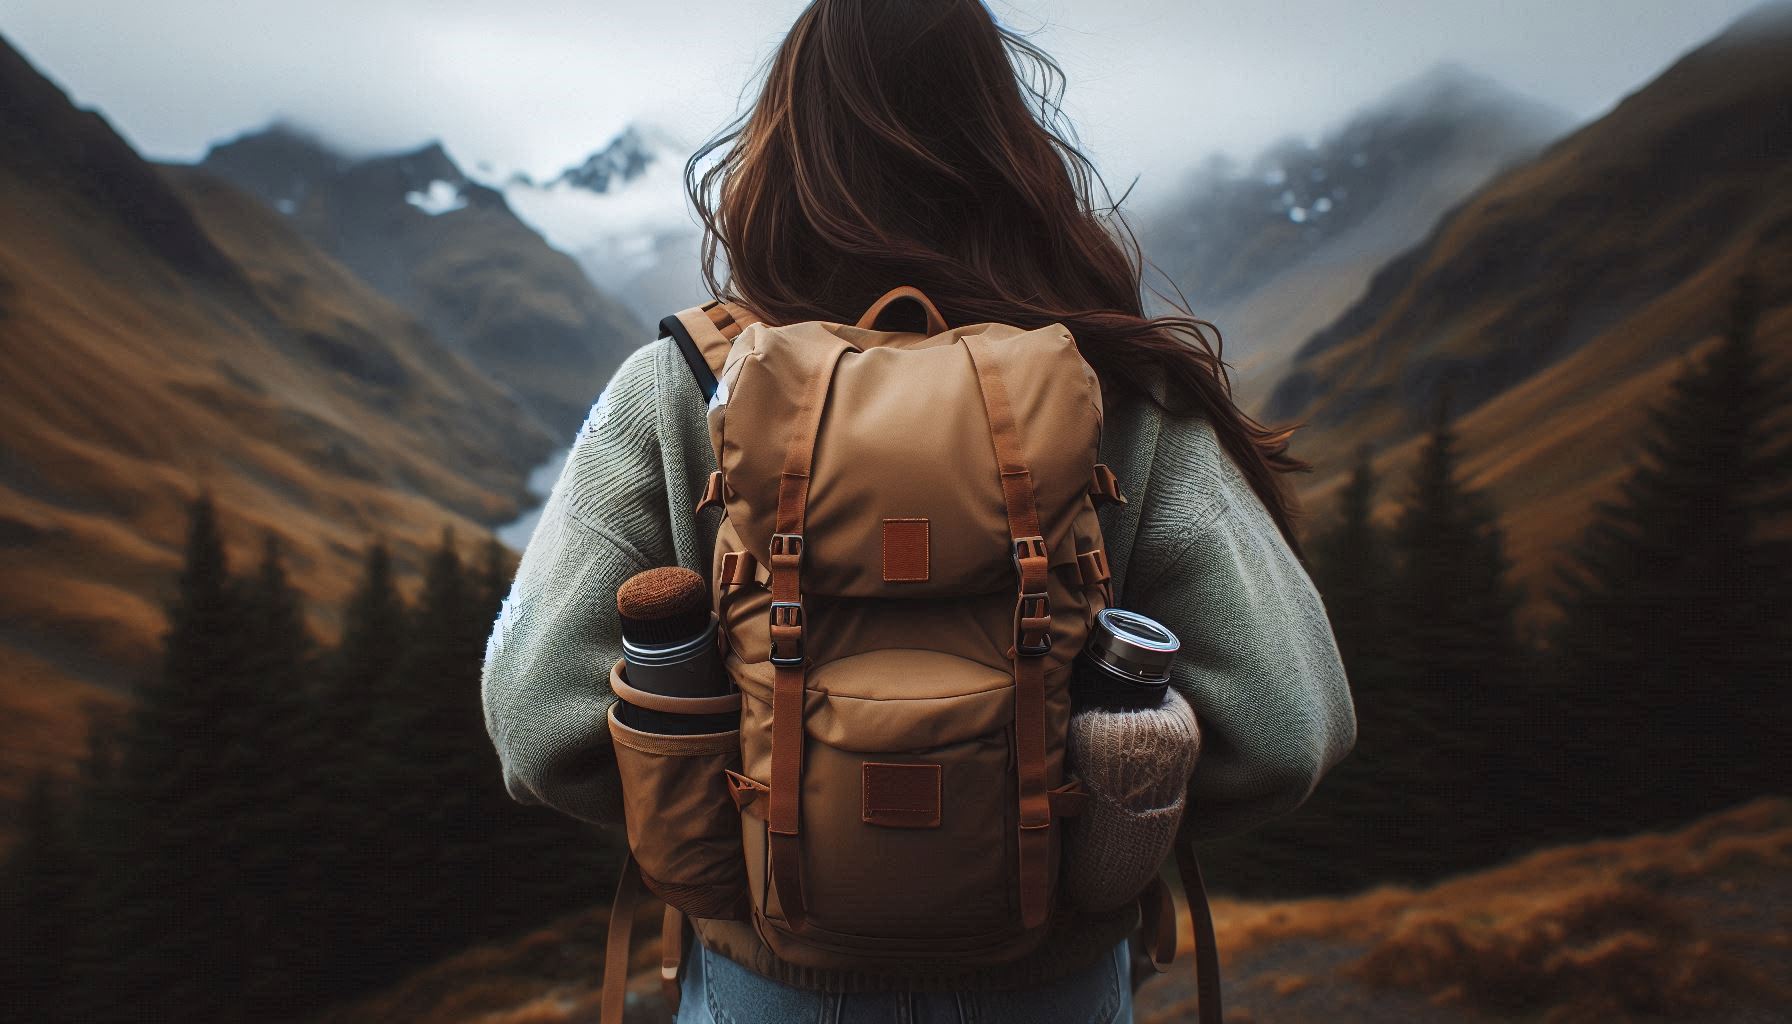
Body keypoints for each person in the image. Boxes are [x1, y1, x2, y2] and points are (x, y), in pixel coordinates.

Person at [481, 1, 1357, 1021]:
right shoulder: (1114, 389)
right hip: (1052, 991)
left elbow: (536, 722)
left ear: (782, 145)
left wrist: (746, 838)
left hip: (765, 989)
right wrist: (1078, 839)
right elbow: (1288, 727)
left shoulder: (682, 386)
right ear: (1008, 145)